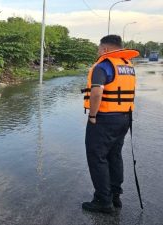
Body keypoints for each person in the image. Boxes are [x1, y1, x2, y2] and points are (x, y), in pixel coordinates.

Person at [81, 35, 139, 213]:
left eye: (99, 48)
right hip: (124, 118)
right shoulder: (127, 66)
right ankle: (115, 196)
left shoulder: (104, 65)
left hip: (104, 119)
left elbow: (97, 92)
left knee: (97, 157)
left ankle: (103, 201)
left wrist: (92, 115)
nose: (98, 51)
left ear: (105, 49)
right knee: (114, 155)